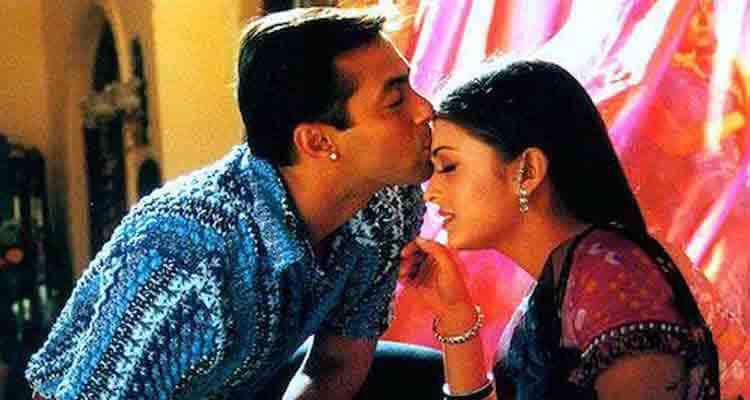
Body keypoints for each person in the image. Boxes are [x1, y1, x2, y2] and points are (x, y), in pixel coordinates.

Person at [26, 7, 435, 399]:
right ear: (317, 141)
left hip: (242, 384)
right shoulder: (186, 256)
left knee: (416, 374)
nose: (426, 109)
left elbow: (335, 364)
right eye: (395, 101)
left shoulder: (386, 204)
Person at [400, 59, 722, 399]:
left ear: (528, 171)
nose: (431, 191)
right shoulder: (566, 281)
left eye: (448, 166)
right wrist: (455, 314)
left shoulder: (612, 280)